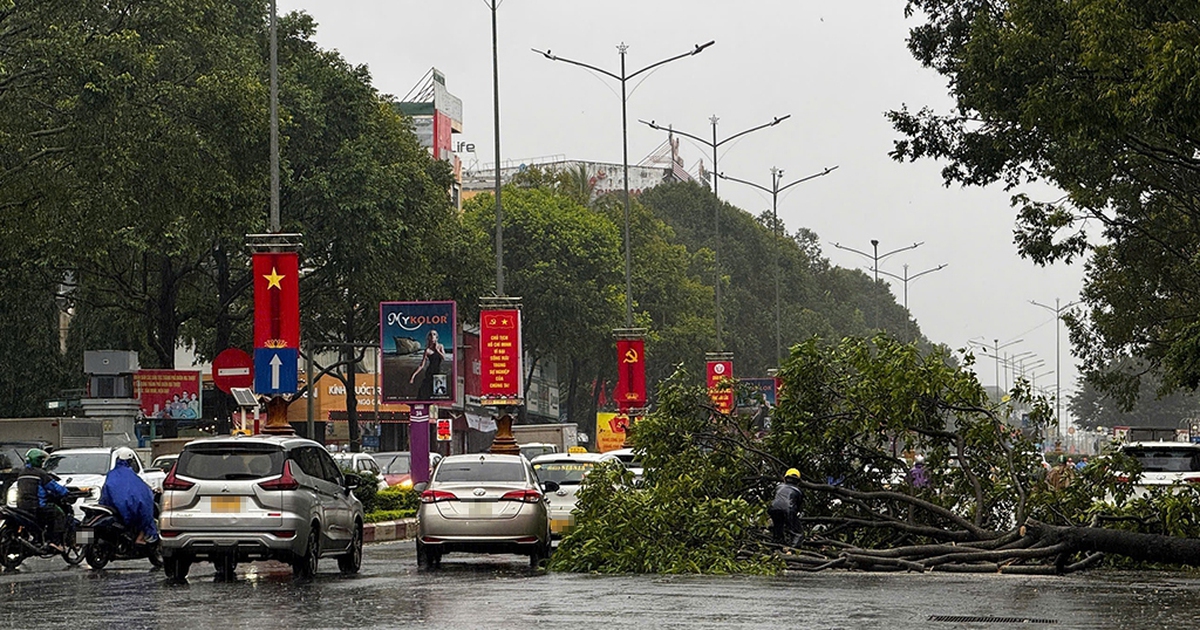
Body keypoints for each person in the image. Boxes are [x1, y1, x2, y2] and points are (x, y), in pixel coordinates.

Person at [99, 447, 159, 544]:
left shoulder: (112, 474)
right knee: (146, 514)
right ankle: (140, 538)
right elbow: (143, 495)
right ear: (130, 461)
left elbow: (107, 493)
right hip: (125, 510)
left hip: (111, 508)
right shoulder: (131, 476)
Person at [15, 448, 69, 551]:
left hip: (21, 506)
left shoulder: (22, 473)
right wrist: (66, 492)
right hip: (37, 506)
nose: (42, 462)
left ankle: (39, 539)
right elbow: (54, 487)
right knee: (59, 514)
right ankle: (55, 542)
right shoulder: (41, 473)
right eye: (41, 460)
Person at [768, 468, 804, 546]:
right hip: (789, 509)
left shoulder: (778, 487)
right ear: (798, 481)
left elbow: (775, 498)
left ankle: (776, 546)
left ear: (785, 478)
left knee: (778, 528)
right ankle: (793, 550)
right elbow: (798, 506)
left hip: (773, 508)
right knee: (798, 533)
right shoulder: (799, 491)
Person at [409, 330, 447, 399]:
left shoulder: (441, 346)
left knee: (438, 394)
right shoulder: (427, 350)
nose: (432, 336)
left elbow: (444, 357)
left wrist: (437, 350)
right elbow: (422, 365)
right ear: (428, 337)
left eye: (434, 334)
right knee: (424, 394)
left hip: (438, 373)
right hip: (429, 373)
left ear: (437, 337)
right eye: (430, 334)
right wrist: (413, 375)